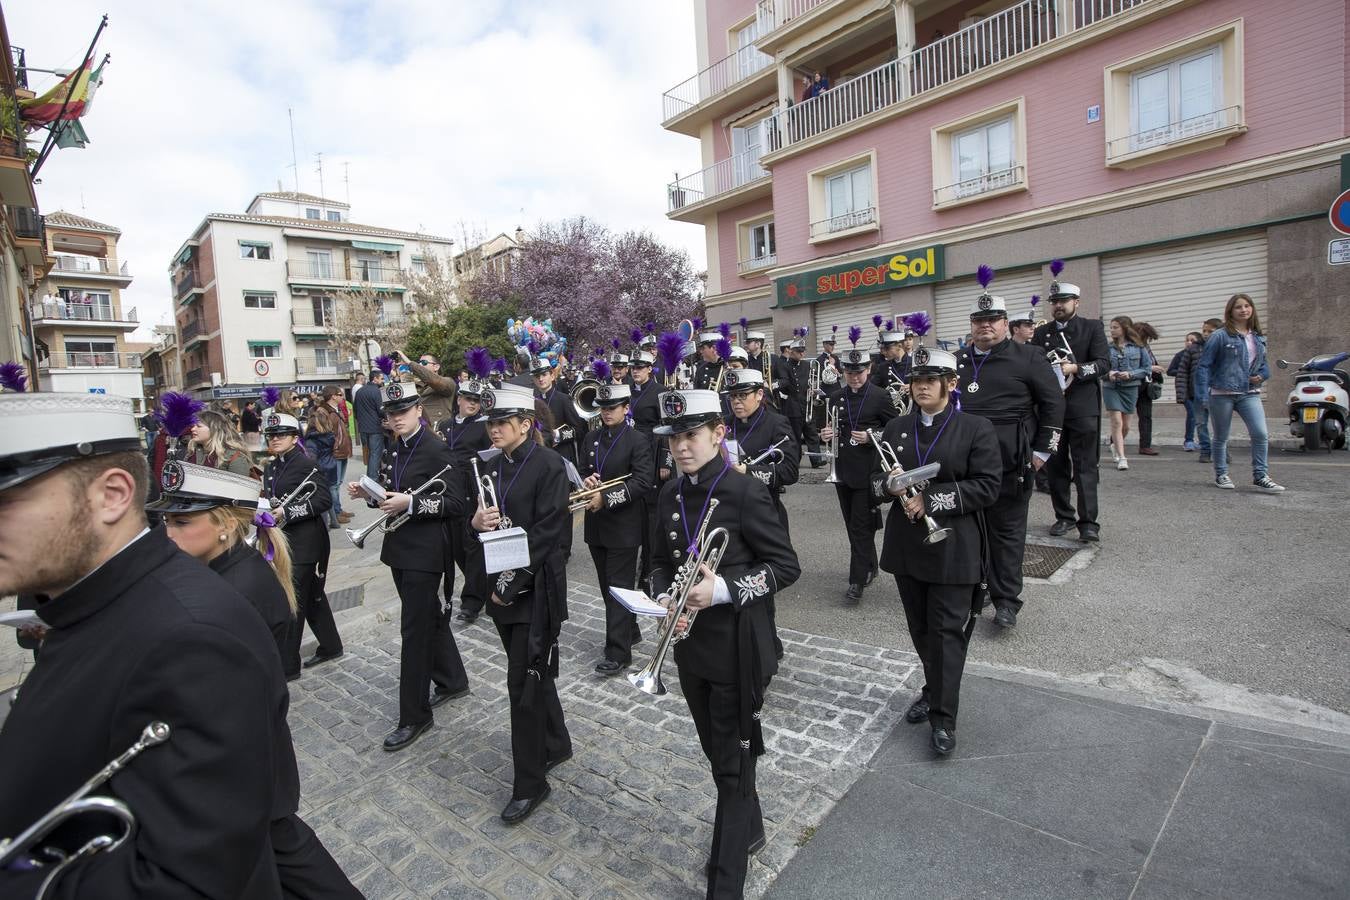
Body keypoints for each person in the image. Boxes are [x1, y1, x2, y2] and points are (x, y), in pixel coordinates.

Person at [0, 393, 297, 897]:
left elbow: (194, 875)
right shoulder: (96, 608)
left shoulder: (194, 637)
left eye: (7, 500)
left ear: (114, 494)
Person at [146, 461, 363, 897]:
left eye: (182, 521)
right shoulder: (224, 570)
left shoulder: (235, 588)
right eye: (167, 520)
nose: (168, 533)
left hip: (244, 759)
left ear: (226, 525)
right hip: (247, 757)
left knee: (288, 854)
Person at [648, 387, 801, 899]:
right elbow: (657, 561)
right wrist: (660, 594)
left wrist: (726, 589)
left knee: (734, 764)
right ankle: (751, 828)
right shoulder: (669, 494)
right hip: (690, 647)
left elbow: (785, 567)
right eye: (673, 438)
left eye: (691, 435)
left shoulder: (745, 492)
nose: (681, 447)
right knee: (719, 754)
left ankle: (726, 881)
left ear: (718, 433)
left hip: (738, 645)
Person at [874, 347, 1001, 756]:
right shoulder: (896, 426)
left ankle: (943, 718)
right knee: (922, 630)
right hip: (909, 547)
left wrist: (933, 500)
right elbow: (877, 482)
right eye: (916, 380)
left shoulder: (975, 427)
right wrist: (889, 486)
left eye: (931, 379)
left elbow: (987, 486)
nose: (922, 386)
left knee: (946, 633)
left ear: (951, 384)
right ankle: (933, 689)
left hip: (953, 547)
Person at [346, 380, 471, 750]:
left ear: (419, 410)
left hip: (427, 552)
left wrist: (412, 505)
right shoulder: (392, 449)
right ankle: (452, 680)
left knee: (414, 632)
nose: (396, 418)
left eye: (402, 411)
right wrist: (368, 494)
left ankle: (414, 716)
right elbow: (389, 494)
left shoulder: (436, 449)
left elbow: (457, 505)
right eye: (391, 413)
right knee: (428, 617)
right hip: (399, 547)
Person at [470, 384, 573, 823]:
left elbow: (549, 535)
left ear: (526, 425)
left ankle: (530, 783)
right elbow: (484, 527)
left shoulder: (549, 465)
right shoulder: (493, 466)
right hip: (502, 588)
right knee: (531, 671)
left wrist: (508, 585)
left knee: (522, 686)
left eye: (501, 423)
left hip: (535, 590)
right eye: (490, 423)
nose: (493, 430)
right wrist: (477, 522)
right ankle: (557, 742)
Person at [955, 287, 1062, 629]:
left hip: (1012, 464)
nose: (985, 325)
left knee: (1007, 534)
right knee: (971, 532)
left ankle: (1006, 601)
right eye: (979, 320)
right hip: (964, 465)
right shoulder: (957, 361)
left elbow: (1054, 405)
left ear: (1005, 323)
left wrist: (1042, 452)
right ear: (971, 324)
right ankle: (978, 587)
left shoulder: (1028, 357)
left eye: (992, 320)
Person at [578, 382, 654, 676]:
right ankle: (630, 629)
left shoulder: (637, 440)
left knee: (618, 589)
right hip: (597, 526)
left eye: (612, 408)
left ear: (626, 409)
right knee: (605, 586)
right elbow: (584, 468)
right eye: (603, 408)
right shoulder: (592, 438)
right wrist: (587, 481)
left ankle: (618, 653)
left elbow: (642, 482)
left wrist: (606, 497)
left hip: (623, 525)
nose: (606, 413)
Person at [263, 410, 343, 680]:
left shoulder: (305, 463)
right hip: (284, 540)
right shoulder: (272, 466)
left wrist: (287, 512)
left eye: (281, 435)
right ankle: (331, 645)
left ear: (294, 437)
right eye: (271, 435)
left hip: (307, 541)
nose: (275, 439)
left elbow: (323, 501)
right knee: (311, 598)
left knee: (292, 601)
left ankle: (288, 665)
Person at [818, 336, 899, 603]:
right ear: (843, 371)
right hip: (841, 470)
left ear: (869, 370)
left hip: (867, 471)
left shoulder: (879, 395)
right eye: (850, 373)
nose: (854, 378)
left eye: (859, 373)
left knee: (860, 526)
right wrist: (825, 435)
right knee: (852, 524)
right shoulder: (836, 397)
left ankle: (856, 580)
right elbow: (828, 429)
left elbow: (896, 430)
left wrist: (872, 434)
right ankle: (869, 566)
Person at [1033, 263, 1110, 542]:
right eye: (1054, 302)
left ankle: (1089, 522)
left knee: (1086, 466)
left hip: (1082, 408)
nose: (1058, 306)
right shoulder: (1042, 334)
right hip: (1053, 410)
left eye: (1063, 301)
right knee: (1056, 466)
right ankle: (1063, 516)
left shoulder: (1091, 328)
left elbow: (1103, 364)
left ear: (1076, 302)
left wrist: (1074, 369)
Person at [1194, 293, 1284, 493]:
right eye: (1238, 307)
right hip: (1221, 392)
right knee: (1221, 436)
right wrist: (1201, 395)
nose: (1244, 310)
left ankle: (1260, 476)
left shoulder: (1258, 336)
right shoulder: (1220, 335)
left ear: (1252, 309)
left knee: (1260, 433)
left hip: (1249, 392)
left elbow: (1264, 366)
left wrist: (1261, 376)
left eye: (1247, 306)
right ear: (1230, 311)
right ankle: (1221, 474)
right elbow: (1204, 366)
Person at [437, 365, 493, 625]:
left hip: (471, 491)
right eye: (468, 399)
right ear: (458, 399)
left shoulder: (483, 426)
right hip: (447, 491)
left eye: (477, 400)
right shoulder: (445, 425)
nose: (472, 404)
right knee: (457, 547)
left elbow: (490, 460)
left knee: (472, 548)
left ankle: (472, 600)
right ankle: (479, 586)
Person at [1103, 317, 1151, 472]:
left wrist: (1131, 374)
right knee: (1116, 422)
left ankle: (1114, 445)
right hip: (1111, 388)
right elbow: (1100, 368)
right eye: (1111, 327)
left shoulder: (1139, 347)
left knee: (1127, 425)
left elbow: (1147, 368)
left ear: (1124, 328)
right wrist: (1108, 373)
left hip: (1130, 388)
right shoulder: (1107, 348)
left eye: (1115, 327)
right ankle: (1122, 457)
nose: (1112, 330)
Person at [1178, 318, 1223, 461]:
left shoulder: (1224, 347)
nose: (1206, 334)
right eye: (1204, 330)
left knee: (1220, 424)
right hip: (1197, 392)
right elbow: (1182, 372)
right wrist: (1182, 394)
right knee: (1201, 423)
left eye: (1210, 331)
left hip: (1218, 392)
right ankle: (1205, 450)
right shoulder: (1193, 349)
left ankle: (1221, 451)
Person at [305, 388, 344, 529]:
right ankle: (334, 521)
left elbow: (311, 458)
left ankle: (325, 526)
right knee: (329, 494)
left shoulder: (311, 441)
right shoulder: (329, 436)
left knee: (321, 497)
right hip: (332, 465)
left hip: (320, 469)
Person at [187, 408, 256, 477]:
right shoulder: (191, 452)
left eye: (199, 426)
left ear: (214, 429)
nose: (192, 429)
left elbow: (240, 486)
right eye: (193, 426)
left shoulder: (235, 456)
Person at [398, 349, 457, 426]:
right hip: (419, 431)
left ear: (436, 367)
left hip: (437, 431)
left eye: (424, 363)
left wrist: (410, 363)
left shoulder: (448, 382)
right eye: (419, 363)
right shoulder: (418, 385)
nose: (420, 365)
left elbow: (432, 379)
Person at [1170, 330, 1205, 451]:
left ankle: (1202, 441)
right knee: (1192, 414)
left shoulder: (1202, 353)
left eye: (1192, 340)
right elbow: (1171, 370)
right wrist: (1184, 371)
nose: (1189, 343)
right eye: (1187, 340)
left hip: (1198, 390)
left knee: (1201, 417)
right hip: (1184, 389)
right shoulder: (1180, 355)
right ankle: (1188, 441)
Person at [1133, 321, 1163, 456]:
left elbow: (1150, 361)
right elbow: (1130, 367)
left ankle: (1145, 446)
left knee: (1146, 417)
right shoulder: (1130, 347)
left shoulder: (1146, 347)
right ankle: (1114, 442)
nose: (1145, 340)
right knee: (1124, 417)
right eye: (1144, 336)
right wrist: (1151, 368)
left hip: (1145, 386)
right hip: (1131, 385)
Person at [355, 367, 386, 478]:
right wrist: (387, 418)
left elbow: (355, 411)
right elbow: (381, 410)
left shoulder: (359, 391)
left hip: (363, 428)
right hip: (375, 428)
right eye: (381, 379)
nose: (383, 381)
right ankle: (372, 479)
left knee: (369, 454)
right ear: (375, 379)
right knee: (375, 454)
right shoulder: (377, 391)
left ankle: (370, 477)